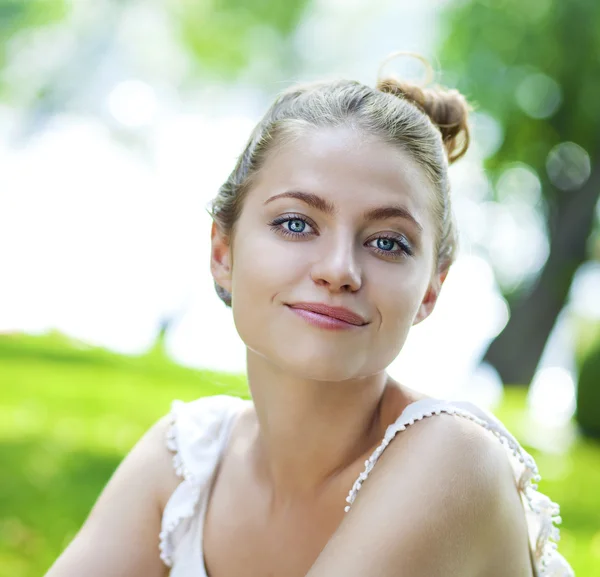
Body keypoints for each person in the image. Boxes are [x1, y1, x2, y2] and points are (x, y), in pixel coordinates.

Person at [45, 53, 574, 577]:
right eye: (297, 224)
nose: (340, 270)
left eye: (387, 242)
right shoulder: (189, 460)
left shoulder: (452, 460)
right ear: (223, 253)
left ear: (432, 288)